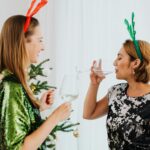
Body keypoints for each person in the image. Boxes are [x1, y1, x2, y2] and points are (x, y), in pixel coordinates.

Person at [0, 13, 71, 150]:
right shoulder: (12, 86)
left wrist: (38, 107)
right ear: (22, 41)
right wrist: (55, 117)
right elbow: (18, 147)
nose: (43, 47)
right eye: (40, 40)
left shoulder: (13, 82)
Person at [83, 39, 150, 149]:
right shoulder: (116, 92)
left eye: (119, 58)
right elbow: (88, 114)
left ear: (135, 63)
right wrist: (94, 84)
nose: (114, 63)